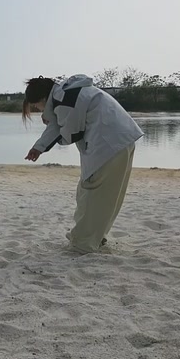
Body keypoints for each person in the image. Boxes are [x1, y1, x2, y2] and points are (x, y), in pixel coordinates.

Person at [22, 74, 144, 254]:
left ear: (42, 99)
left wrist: (49, 125)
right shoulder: (67, 93)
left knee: (92, 193)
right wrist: (38, 147)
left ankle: (83, 243)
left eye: (36, 106)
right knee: (104, 195)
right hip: (121, 140)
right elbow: (59, 125)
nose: (38, 110)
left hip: (108, 145)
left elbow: (71, 134)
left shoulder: (64, 100)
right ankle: (94, 237)